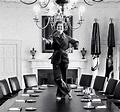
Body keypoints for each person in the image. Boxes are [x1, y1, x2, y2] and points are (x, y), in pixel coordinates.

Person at [43, 21, 79, 100]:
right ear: (56, 27)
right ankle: (68, 90)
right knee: (57, 78)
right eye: (58, 26)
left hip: (64, 59)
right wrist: (47, 42)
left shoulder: (67, 37)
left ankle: (60, 94)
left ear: (64, 28)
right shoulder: (53, 36)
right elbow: (50, 42)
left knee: (64, 78)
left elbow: (76, 43)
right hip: (56, 58)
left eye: (61, 27)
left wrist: (70, 48)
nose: (59, 28)